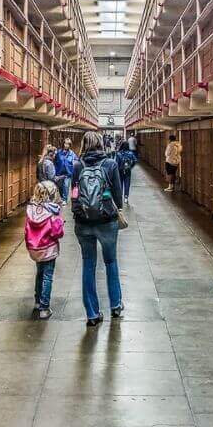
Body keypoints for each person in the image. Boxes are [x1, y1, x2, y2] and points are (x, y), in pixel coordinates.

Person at [71, 130, 125, 326]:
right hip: (106, 221)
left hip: (83, 223)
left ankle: (92, 314)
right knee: (111, 262)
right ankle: (116, 305)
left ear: (84, 144)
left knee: (88, 264)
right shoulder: (110, 164)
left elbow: (74, 193)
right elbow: (118, 195)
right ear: (101, 144)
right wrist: (116, 208)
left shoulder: (77, 165)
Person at [24, 180, 64, 320]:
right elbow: (57, 233)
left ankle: (37, 301)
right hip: (49, 248)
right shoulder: (52, 211)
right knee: (47, 276)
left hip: (35, 248)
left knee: (39, 273)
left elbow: (27, 230)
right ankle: (44, 307)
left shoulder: (31, 210)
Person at [116, 138, 137, 205]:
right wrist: (131, 167)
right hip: (128, 170)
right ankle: (126, 198)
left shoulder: (118, 154)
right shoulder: (130, 153)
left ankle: (120, 197)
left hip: (120, 170)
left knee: (120, 184)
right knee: (127, 184)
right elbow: (135, 160)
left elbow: (116, 163)